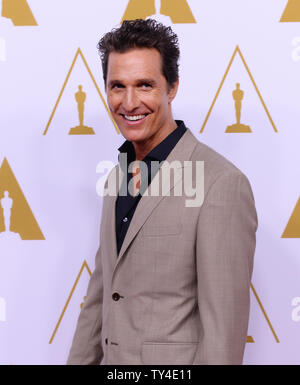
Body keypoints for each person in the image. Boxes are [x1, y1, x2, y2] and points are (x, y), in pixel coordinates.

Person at [67, 19, 257, 365]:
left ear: (172, 88)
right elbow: (102, 297)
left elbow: (223, 338)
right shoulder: (119, 175)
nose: (129, 102)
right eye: (117, 86)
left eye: (144, 85)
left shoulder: (221, 183)